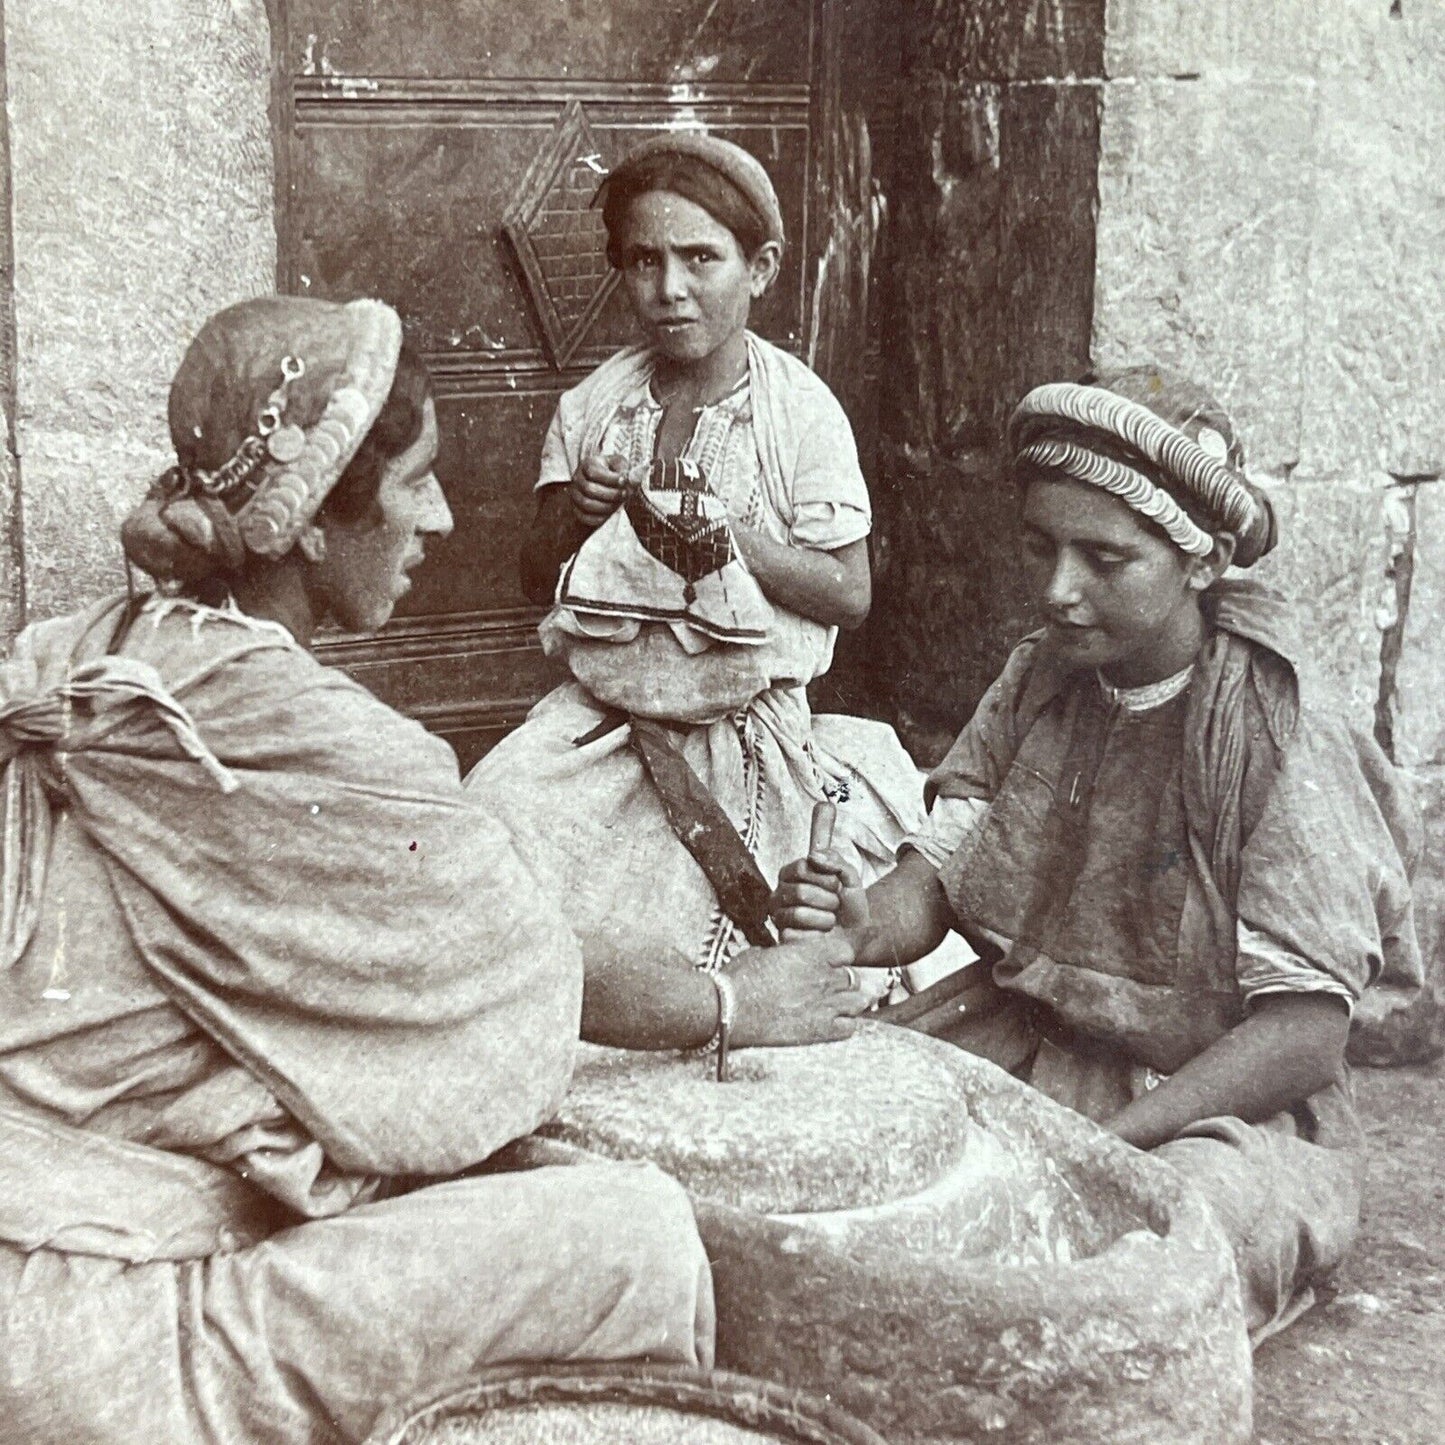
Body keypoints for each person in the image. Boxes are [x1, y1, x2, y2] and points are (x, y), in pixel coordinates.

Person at [0, 296, 714, 1444]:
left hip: (45, 1247)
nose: (437, 518)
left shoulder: (75, 655)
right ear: (317, 526)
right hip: (93, 1336)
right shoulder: (324, 744)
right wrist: (735, 1001)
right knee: (637, 1235)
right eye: (415, 481)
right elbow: (523, 983)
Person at [772, 369, 1425, 1343]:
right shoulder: (1041, 673)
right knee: (818, 1151)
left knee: (1145, 1263)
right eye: (1040, 546)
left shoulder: (1273, 726)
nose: (1056, 589)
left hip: (1211, 1104)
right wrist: (858, 920)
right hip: (1018, 1039)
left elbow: (1301, 1033)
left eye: (1103, 558)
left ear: (1197, 562)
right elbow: (941, 875)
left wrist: (1096, 1148)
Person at [471, 132, 955, 1055]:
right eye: (644, 261)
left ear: (760, 267)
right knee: (498, 829)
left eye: (702, 258)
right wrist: (575, 513)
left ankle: (730, 1021)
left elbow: (848, 591)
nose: (671, 288)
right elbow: (538, 576)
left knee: (783, 920)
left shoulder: (798, 411)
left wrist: (730, 536)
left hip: (754, 731)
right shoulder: (593, 409)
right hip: (602, 726)